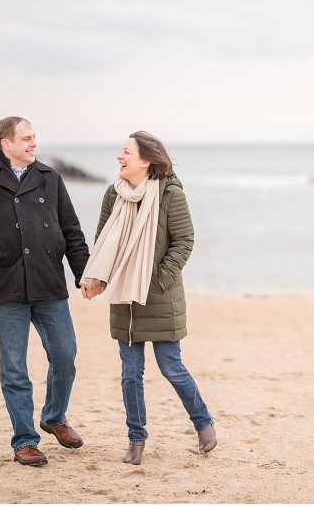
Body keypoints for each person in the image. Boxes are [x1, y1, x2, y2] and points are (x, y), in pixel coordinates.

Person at [0, 116, 91, 466]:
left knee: (65, 356)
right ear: (6, 144)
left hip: (49, 283)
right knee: (14, 368)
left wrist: (85, 274)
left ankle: (54, 417)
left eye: (34, 137)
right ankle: (25, 440)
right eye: (26, 138)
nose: (33, 143)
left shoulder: (50, 177)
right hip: (4, 286)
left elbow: (72, 230)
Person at [80, 130, 216, 465]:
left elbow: (184, 241)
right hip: (124, 297)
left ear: (146, 160)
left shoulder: (170, 194)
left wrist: (155, 281)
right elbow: (103, 242)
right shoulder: (114, 194)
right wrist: (97, 277)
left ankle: (203, 423)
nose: (119, 157)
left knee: (171, 366)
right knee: (130, 373)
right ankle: (136, 440)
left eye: (126, 151)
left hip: (159, 296)